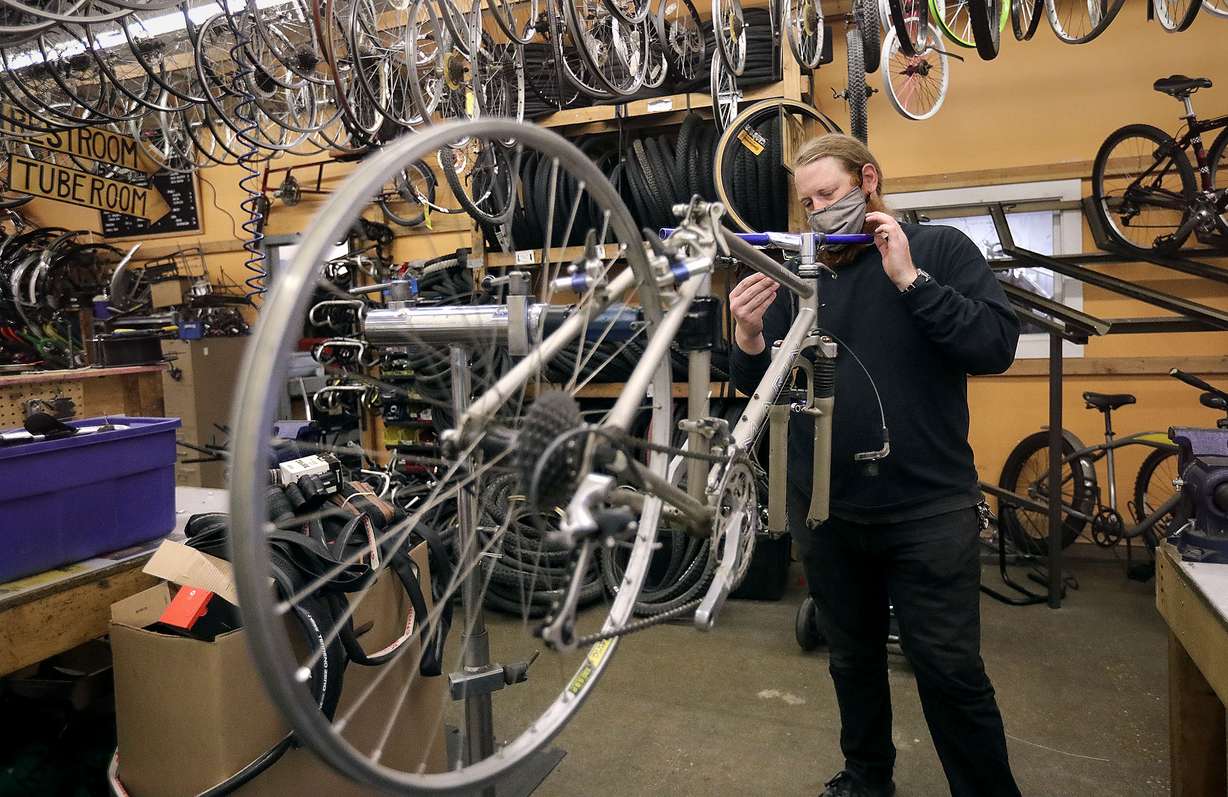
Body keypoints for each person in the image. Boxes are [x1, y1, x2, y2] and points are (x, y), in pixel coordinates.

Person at [728, 133, 1023, 797]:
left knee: (948, 669)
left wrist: (910, 281)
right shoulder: (799, 274)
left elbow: (995, 344)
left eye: (827, 194)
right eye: (807, 203)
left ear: (868, 179)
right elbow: (765, 388)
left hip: (927, 507)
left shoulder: (940, 249)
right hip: (827, 511)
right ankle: (866, 779)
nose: (817, 211)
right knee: (852, 658)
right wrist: (747, 337)